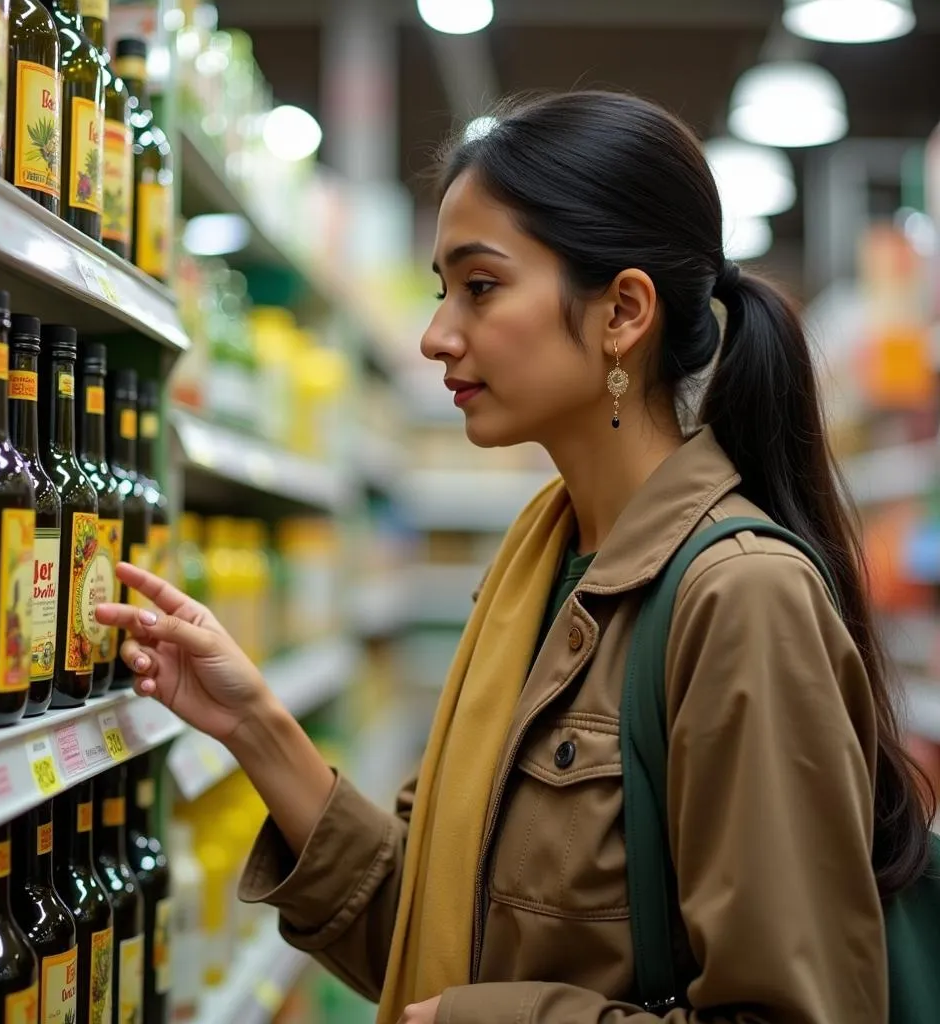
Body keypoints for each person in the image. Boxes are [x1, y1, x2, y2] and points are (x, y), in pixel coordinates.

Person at [95, 90, 934, 1024]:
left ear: (622, 312)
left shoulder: (740, 601)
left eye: (481, 287)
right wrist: (254, 723)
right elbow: (430, 930)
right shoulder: (539, 568)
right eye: (440, 288)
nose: (435, 335)